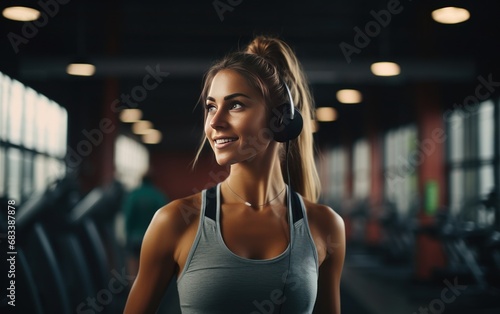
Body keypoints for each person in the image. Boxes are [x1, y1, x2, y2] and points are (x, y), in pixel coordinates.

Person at [124, 35, 345, 314]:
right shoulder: (173, 222)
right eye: (211, 107)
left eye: (236, 104)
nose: (215, 122)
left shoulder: (325, 225)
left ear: (279, 119)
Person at [122, 172, 168, 276]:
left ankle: (133, 290)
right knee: (150, 270)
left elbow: (128, 218)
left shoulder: (133, 195)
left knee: (133, 268)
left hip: (135, 239)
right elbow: (165, 220)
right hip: (153, 240)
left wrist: (127, 237)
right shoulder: (158, 195)